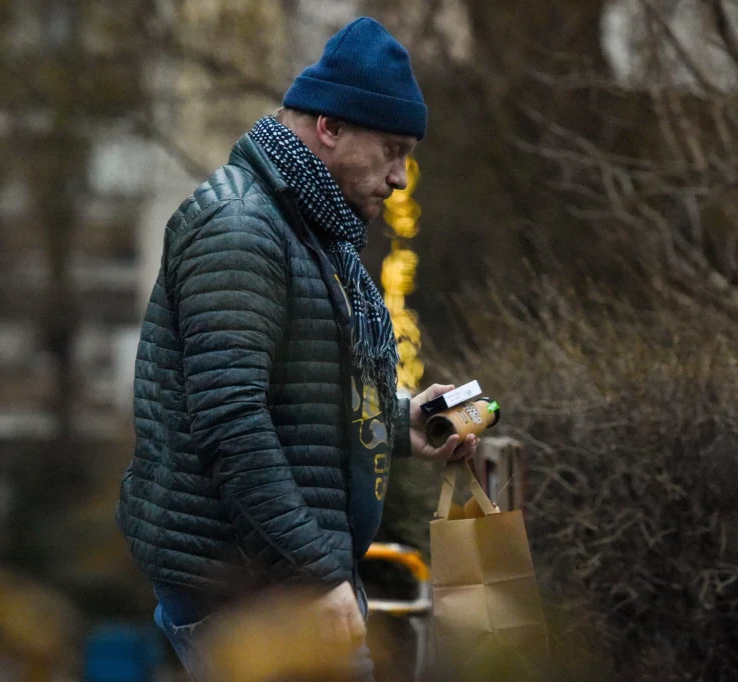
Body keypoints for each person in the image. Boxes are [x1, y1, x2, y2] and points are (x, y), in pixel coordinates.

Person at [116, 16, 477, 681]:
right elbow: (232, 421)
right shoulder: (242, 228)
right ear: (329, 128)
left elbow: (298, 402)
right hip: (250, 591)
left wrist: (401, 422)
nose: (400, 179)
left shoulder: (310, 228)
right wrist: (314, 574)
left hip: (274, 578)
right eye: (391, 150)